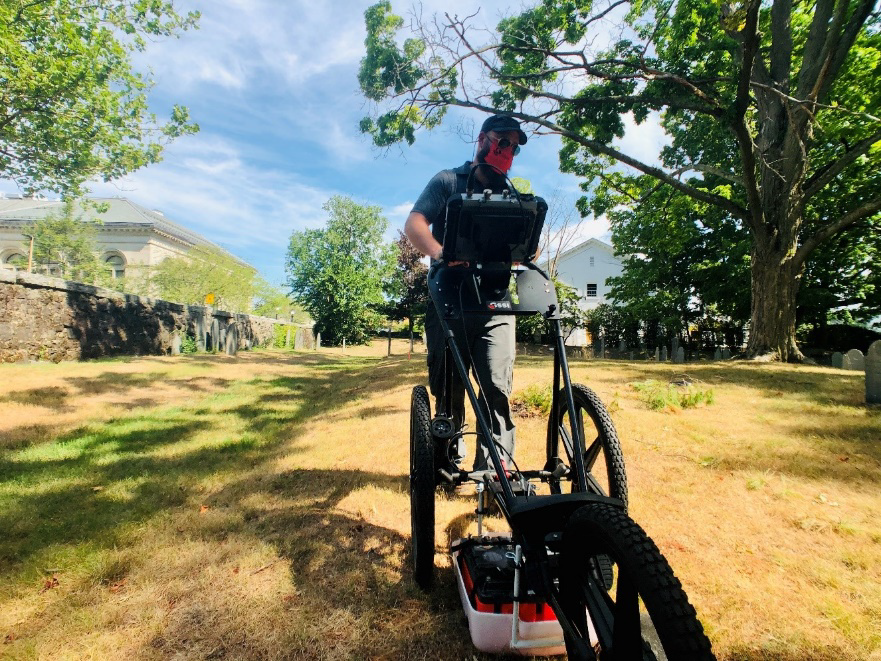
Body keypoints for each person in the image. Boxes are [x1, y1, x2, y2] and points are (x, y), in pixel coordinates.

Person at [404, 114, 528, 471]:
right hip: (450, 299)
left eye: (513, 146)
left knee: (495, 387)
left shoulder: (513, 195)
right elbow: (415, 224)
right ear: (483, 139)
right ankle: (445, 460)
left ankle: (495, 472)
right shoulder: (448, 181)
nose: (506, 150)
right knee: (450, 388)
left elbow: (528, 249)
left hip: (495, 304)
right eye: (501, 141)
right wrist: (440, 252)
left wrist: (523, 248)